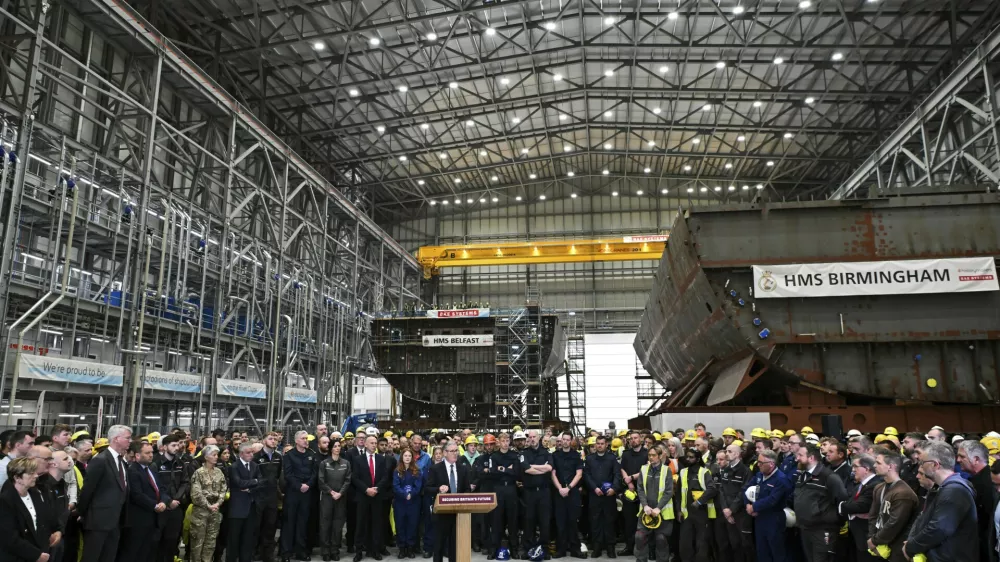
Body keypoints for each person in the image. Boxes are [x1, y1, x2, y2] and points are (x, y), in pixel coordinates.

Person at [903, 440, 977, 561]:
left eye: (922, 463)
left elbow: (939, 529)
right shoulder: (944, 488)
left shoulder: (954, 490)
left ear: (935, 465)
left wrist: (911, 547)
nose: (920, 467)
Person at [77, 424, 131, 562]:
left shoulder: (121, 461)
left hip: (115, 520)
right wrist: (81, 513)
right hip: (97, 521)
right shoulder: (100, 460)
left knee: (108, 557)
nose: (130, 441)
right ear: (117, 439)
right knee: (92, 557)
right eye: (127, 438)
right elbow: (87, 490)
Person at [0, 457, 62, 562]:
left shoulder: (35, 493)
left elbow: (47, 517)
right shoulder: (5, 501)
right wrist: (36, 555)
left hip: (42, 552)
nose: (36, 476)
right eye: (31, 473)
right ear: (17, 478)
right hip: (18, 557)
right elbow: (9, 537)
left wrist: (58, 530)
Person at [793, 444, 848, 562]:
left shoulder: (829, 477)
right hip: (805, 528)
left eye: (800, 455)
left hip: (822, 530)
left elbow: (842, 500)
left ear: (811, 458)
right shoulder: (802, 476)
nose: (797, 458)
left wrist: (834, 521)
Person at [120, 441, 169, 562]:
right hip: (138, 520)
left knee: (147, 552)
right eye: (147, 453)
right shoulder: (132, 471)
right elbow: (137, 495)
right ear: (137, 455)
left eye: (151, 452)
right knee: (134, 553)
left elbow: (161, 488)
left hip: (153, 519)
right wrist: (155, 505)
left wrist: (164, 501)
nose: (151, 455)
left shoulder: (151, 469)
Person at [867, 450, 917, 562]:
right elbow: (873, 515)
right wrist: (872, 538)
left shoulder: (903, 493)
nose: (874, 465)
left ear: (890, 466)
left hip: (897, 549)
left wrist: (874, 540)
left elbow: (895, 523)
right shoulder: (879, 487)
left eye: (878, 463)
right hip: (878, 545)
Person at [425, 440, 471, 562]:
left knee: (455, 546)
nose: (455, 453)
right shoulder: (435, 468)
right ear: (445, 453)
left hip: (458, 514)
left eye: (456, 451)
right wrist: (438, 489)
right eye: (452, 451)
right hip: (441, 513)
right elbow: (428, 488)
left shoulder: (463, 469)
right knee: (439, 545)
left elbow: (467, 489)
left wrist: (465, 497)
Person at [745, 449, 791, 562]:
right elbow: (746, 489)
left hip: (774, 519)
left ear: (771, 464)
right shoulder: (759, 475)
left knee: (776, 552)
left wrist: (754, 507)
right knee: (762, 551)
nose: (758, 465)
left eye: (761, 462)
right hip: (759, 518)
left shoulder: (781, 479)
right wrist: (748, 505)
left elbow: (772, 500)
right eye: (758, 462)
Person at [352, 435, 391, 562]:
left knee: (376, 524)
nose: (374, 445)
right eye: (372, 443)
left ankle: (375, 550)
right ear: (366, 444)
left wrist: (376, 489)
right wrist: (366, 489)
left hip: (377, 496)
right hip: (363, 496)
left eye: (375, 443)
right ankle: (358, 551)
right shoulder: (358, 459)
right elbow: (355, 478)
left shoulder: (381, 459)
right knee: (361, 524)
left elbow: (385, 477)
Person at [956, 439, 995, 562]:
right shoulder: (978, 480)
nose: (958, 460)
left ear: (976, 459)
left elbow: (987, 519)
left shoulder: (988, 483)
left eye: (962, 456)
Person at [282, 430, 319, 562]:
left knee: (303, 523)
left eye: (306, 438)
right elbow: (288, 474)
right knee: (289, 523)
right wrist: (299, 486)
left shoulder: (312, 454)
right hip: (293, 493)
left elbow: (315, 473)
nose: (306, 441)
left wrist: (308, 484)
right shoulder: (289, 455)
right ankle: (286, 553)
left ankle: (301, 551)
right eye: (303, 438)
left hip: (307, 493)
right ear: (296, 440)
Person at [837, 453, 881, 562]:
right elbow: (850, 502)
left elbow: (860, 506)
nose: (853, 470)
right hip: (857, 535)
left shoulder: (875, 484)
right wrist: (847, 505)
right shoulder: (860, 485)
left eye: (855, 466)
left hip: (867, 536)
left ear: (866, 469)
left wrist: (841, 505)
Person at [583, 435, 621, 558]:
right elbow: (586, 475)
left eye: (602, 443)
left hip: (609, 495)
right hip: (595, 495)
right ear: (595, 445)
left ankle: (610, 548)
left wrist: (614, 489)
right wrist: (594, 488)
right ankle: (597, 548)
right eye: (598, 443)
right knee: (595, 522)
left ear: (606, 445)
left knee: (609, 521)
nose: (599, 446)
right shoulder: (589, 459)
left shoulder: (612, 458)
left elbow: (617, 474)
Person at [190, 445, 229, 562]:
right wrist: (208, 505)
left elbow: (223, 489)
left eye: (217, 455)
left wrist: (218, 503)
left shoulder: (219, 472)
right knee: (197, 541)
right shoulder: (198, 473)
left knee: (211, 541)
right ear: (206, 457)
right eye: (214, 455)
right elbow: (196, 493)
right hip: (201, 512)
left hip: (215, 511)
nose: (216, 457)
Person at [635, 446, 674, 562]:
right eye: (649, 455)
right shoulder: (643, 469)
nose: (651, 457)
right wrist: (645, 505)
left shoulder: (666, 470)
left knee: (661, 539)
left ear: (660, 456)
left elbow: (668, 491)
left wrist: (658, 508)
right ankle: (641, 560)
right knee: (640, 537)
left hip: (662, 511)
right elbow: (640, 489)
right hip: (646, 510)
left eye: (654, 455)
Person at [678, 447, 718, 562]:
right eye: (687, 457)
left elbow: (712, 489)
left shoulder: (704, 472)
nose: (688, 459)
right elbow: (679, 493)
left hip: (701, 512)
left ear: (698, 459)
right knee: (685, 544)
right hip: (686, 513)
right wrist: (678, 510)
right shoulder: (683, 472)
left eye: (691, 457)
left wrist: (699, 501)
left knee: (701, 544)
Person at [551, 432, 586, 559]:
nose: (565, 442)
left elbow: (579, 474)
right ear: (561, 441)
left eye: (567, 440)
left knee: (573, 522)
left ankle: (575, 549)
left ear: (571, 441)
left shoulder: (576, 455)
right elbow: (553, 474)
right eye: (563, 439)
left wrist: (569, 488)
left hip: (573, 492)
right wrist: (560, 488)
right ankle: (561, 550)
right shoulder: (555, 455)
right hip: (559, 492)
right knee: (560, 522)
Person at [519, 429, 553, 559]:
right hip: (529, 492)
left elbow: (549, 468)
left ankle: (544, 549)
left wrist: (533, 466)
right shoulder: (524, 453)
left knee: (544, 522)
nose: (532, 439)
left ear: (539, 438)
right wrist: (542, 468)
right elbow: (526, 469)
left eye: (534, 437)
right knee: (529, 521)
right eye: (530, 437)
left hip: (544, 492)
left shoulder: (546, 452)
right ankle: (528, 549)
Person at [155, 433, 189, 562]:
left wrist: (176, 499)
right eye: (173, 445)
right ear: (164, 447)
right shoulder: (156, 463)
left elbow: (185, 482)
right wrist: (168, 501)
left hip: (176, 507)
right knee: (158, 542)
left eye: (177, 445)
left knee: (172, 541)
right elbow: (156, 485)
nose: (176, 448)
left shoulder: (181, 463)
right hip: (161, 507)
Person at [487, 433, 519, 559]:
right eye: (503, 441)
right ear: (498, 442)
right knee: (496, 521)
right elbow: (492, 473)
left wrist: (502, 469)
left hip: (511, 489)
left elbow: (517, 473)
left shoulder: (514, 455)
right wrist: (508, 469)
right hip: (498, 489)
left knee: (513, 521)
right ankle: (493, 549)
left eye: (507, 440)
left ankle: (514, 549)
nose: (505, 443)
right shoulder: (494, 456)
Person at [228, 443, 263, 562]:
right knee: (234, 539)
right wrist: (255, 481)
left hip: (251, 506)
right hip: (237, 508)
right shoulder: (234, 467)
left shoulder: (255, 466)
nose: (251, 455)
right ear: (241, 454)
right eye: (248, 452)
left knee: (248, 539)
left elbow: (261, 482)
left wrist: (250, 488)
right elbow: (239, 483)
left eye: (252, 452)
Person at [719, 443, 753, 562]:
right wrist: (725, 509)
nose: (726, 454)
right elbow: (721, 490)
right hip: (727, 513)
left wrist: (731, 509)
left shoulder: (745, 471)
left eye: (729, 451)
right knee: (734, 544)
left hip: (741, 513)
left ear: (737, 454)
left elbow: (743, 492)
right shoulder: (725, 470)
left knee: (745, 544)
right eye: (726, 451)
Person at [320, 439, 352, 561]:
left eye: (339, 446)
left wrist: (340, 493)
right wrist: (331, 492)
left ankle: (334, 550)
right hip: (327, 498)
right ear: (331, 448)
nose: (338, 448)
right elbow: (321, 481)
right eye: (335, 446)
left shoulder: (346, 463)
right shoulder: (324, 463)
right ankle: (325, 551)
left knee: (338, 525)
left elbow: (348, 480)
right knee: (325, 524)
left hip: (341, 498)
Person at [254, 432, 283, 562]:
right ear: (263, 441)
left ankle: (268, 554)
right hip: (259, 497)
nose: (273, 441)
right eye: (270, 439)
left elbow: (278, 476)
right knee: (257, 526)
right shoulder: (256, 457)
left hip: (272, 496)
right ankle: (255, 552)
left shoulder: (278, 457)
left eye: (275, 439)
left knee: (270, 526)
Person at [618, 431, 647, 557]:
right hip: (629, 491)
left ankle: (644, 548)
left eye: (635, 438)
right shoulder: (626, 454)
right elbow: (622, 468)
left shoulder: (647, 453)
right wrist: (627, 481)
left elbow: (647, 470)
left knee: (643, 521)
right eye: (631, 438)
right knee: (629, 521)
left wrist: (632, 477)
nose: (633, 440)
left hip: (643, 491)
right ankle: (629, 547)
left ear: (640, 439)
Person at [393, 449, 422, 560]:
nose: (407, 457)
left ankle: (410, 548)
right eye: (405, 455)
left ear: (412, 458)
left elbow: (418, 486)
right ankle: (402, 548)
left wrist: (411, 494)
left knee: (412, 525)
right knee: (400, 525)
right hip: (400, 503)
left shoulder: (416, 470)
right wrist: (404, 494)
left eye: (409, 456)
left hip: (413, 503)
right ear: (402, 457)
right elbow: (396, 486)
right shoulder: (397, 471)